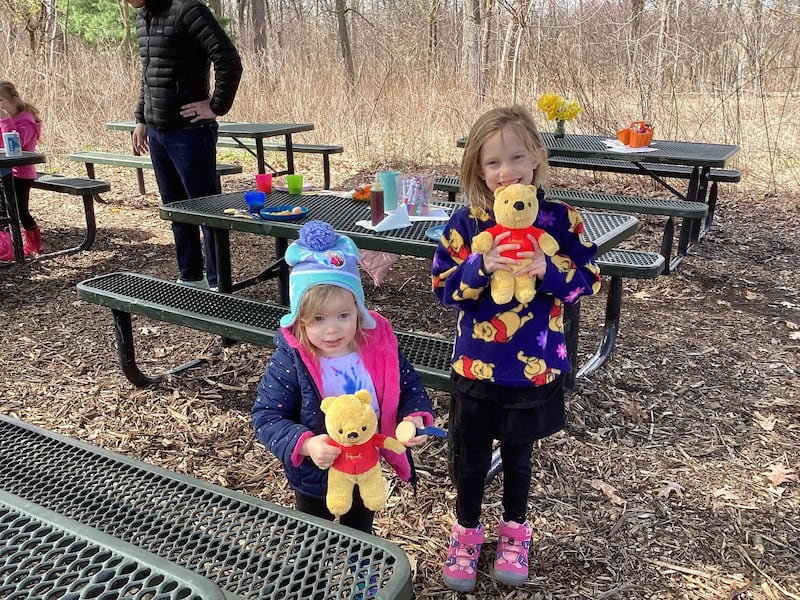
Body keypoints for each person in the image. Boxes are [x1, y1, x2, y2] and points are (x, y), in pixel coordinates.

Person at [431, 105, 601, 591]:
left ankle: (514, 533)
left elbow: (586, 279)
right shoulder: (466, 223)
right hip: (475, 367)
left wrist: (550, 273)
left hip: (534, 368)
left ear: (537, 159)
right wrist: (479, 267)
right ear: (477, 170)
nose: (506, 172)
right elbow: (443, 288)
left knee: (520, 457)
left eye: (516, 158)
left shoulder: (561, 220)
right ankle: (466, 532)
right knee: (470, 456)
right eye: (492, 163)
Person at [252, 220, 435, 535]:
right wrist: (306, 445)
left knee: (361, 531)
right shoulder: (294, 359)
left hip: (365, 465)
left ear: (358, 309)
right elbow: (267, 415)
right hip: (316, 472)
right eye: (319, 319)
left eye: (343, 316)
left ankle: (363, 579)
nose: (332, 329)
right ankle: (311, 582)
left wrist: (414, 417)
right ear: (300, 319)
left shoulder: (378, 347)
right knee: (313, 535)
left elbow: (408, 386)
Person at [125, 0, 243, 290]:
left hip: (190, 133)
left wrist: (216, 106)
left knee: (207, 211)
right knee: (177, 211)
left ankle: (219, 283)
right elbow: (149, 73)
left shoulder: (188, 10)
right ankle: (191, 277)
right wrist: (141, 118)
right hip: (157, 131)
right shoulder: (143, 17)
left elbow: (228, 59)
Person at [0, 81, 43, 260]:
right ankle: (7, 245)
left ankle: (34, 245)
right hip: (5, 172)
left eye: (0, 100)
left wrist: (6, 122)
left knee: (20, 211)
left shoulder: (26, 120)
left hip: (22, 174)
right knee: (4, 209)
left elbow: (15, 146)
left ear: (14, 100)